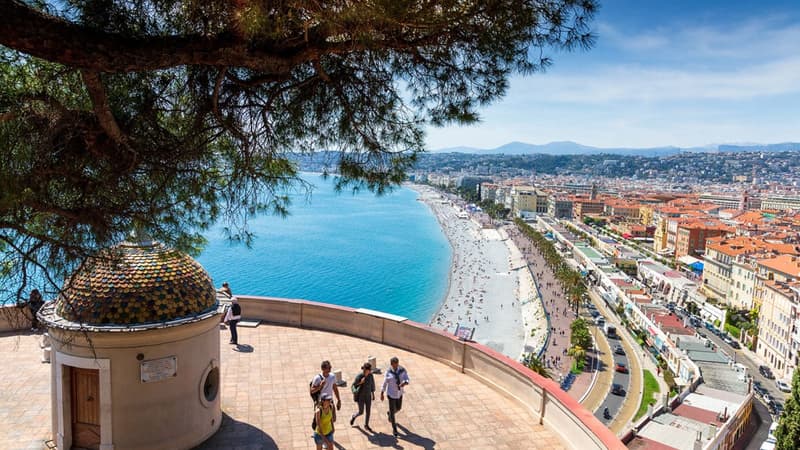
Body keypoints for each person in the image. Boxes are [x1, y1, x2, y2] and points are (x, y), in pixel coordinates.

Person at [380, 356, 410, 437]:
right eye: (394, 365)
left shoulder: (402, 370)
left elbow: (407, 378)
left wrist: (405, 382)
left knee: (399, 408)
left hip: (399, 393)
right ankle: (394, 429)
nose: (396, 366)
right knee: (393, 412)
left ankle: (390, 413)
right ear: (391, 364)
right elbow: (385, 383)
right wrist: (382, 392)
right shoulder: (388, 372)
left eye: (397, 365)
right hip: (391, 394)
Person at [350, 362, 376, 431]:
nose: (369, 372)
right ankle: (354, 416)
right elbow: (354, 385)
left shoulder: (371, 376)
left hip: (368, 396)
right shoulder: (359, 376)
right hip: (360, 397)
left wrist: (373, 394)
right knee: (361, 412)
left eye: (369, 370)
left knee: (368, 411)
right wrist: (361, 382)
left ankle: (366, 425)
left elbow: (372, 385)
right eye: (368, 370)